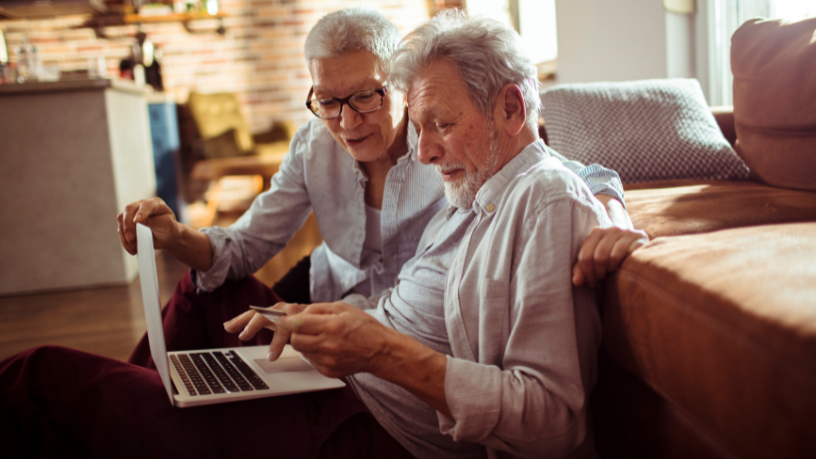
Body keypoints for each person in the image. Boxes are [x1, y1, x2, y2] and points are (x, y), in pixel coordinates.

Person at [0, 9, 644, 459]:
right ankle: (150, 405)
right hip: (344, 358)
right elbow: (250, 246)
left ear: (509, 107)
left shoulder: (529, 191)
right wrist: (345, 330)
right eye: (327, 102)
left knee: (40, 378)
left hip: (372, 410)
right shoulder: (474, 182)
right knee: (196, 305)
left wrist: (610, 211)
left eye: (436, 124)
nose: (421, 151)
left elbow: (567, 177)